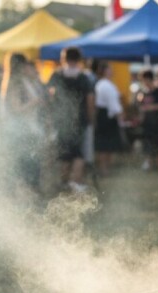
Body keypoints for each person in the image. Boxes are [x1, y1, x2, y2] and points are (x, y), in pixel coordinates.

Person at [47, 46, 94, 193]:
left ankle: (63, 183)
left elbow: (49, 97)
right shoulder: (84, 77)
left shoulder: (56, 75)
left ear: (63, 58)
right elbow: (90, 100)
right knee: (79, 153)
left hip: (61, 121)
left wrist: (51, 116)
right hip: (79, 120)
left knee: (64, 154)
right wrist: (91, 119)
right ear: (79, 59)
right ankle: (76, 183)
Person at [0, 52, 46, 191]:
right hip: (20, 133)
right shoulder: (15, 82)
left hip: (26, 131)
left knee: (30, 169)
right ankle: (27, 199)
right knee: (26, 170)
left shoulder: (25, 81)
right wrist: (35, 102)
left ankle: (30, 196)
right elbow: (16, 109)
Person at [92, 60, 125, 177]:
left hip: (104, 116)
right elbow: (114, 105)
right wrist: (121, 118)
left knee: (106, 146)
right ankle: (104, 170)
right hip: (106, 117)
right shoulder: (105, 85)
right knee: (105, 146)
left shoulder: (103, 84)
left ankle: (105, 169)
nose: (112, 71)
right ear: (104, 71)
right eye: (109, 69)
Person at [136, 69, 158, 171]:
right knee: (147, 144)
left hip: (157, 122)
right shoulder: (142, 92)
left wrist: (152, 107)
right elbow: (140, 107)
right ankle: (149, 163)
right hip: (147, 123)